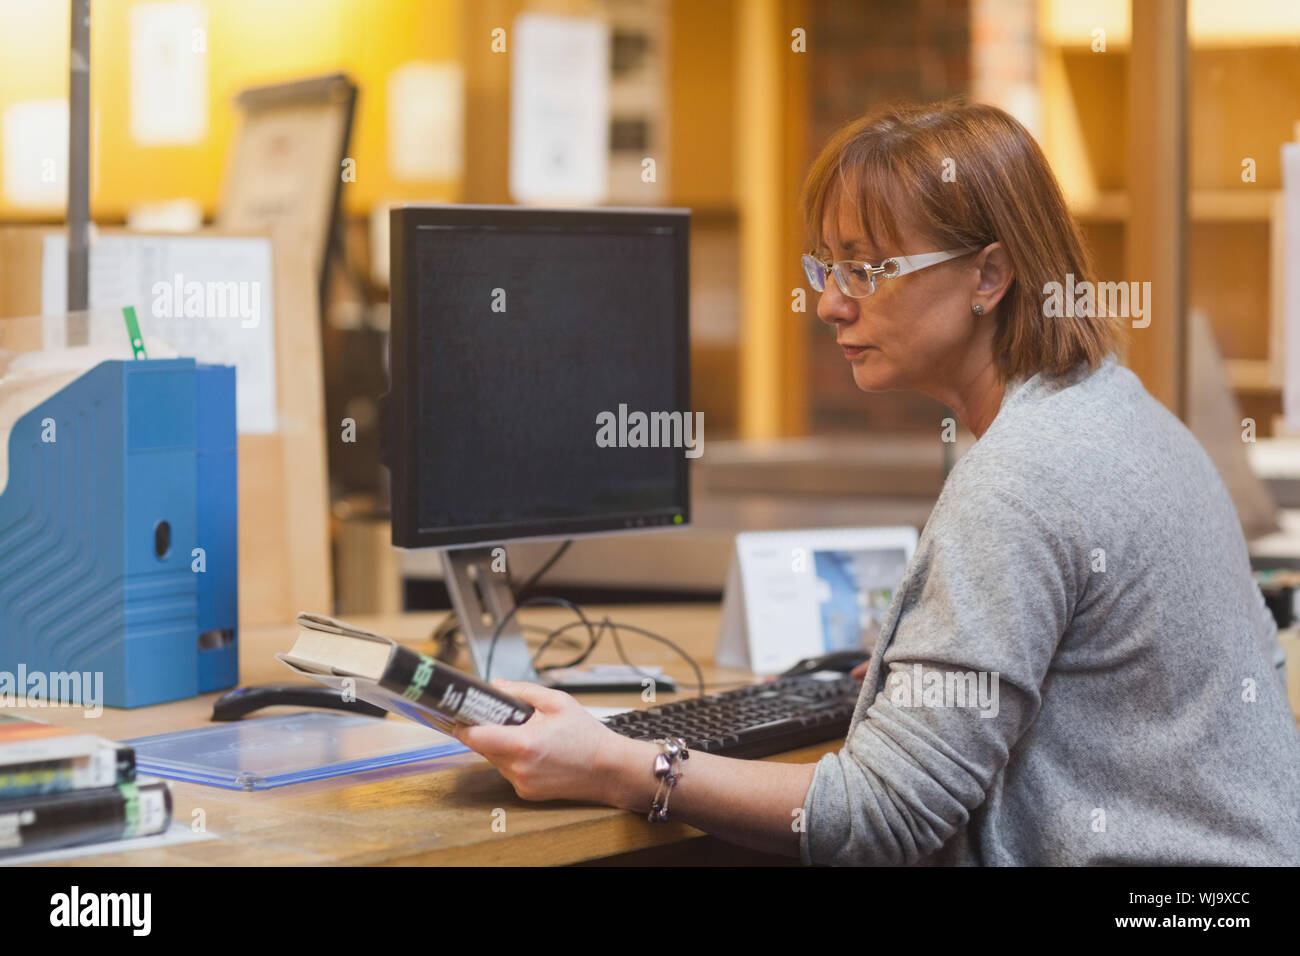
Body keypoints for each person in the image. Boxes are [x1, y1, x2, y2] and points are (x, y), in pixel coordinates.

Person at [452, 99, 1300, 865]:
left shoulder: (1020, 479)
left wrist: (622, 765)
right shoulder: (1125, 413)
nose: (829, 305)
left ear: (989, 276)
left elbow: (885, 816)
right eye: (827, 268)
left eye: (868, 269)